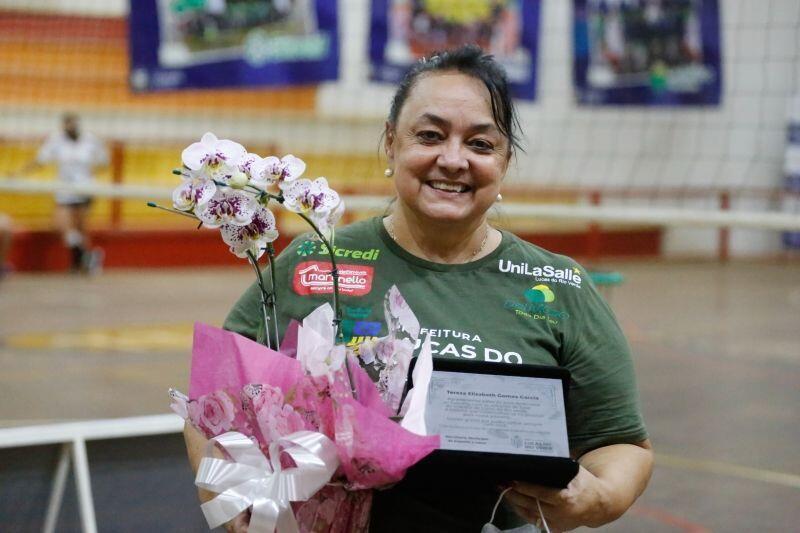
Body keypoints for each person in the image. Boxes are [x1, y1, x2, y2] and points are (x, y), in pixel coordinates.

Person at [185, 45, 653, 532]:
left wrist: (599, 496)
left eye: (480, 144)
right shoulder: (315, 260)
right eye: (430, 135)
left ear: (506, 160)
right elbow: (214, 405)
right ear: (391, 142)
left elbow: (622, 444)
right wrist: (229, 494)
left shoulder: (557, 283)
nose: (453, 160)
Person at [18, 113, 107, 274]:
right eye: (68, 124)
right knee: (61, 225)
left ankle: (78, 265)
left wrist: (89, 175)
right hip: (64, 190)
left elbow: (104, 162)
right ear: (64, 125)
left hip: (84, 189)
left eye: (74, 123)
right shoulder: (56, 139)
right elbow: (41, 160)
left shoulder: (91, 139)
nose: (71, 126)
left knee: (81, 228)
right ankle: (89, 257)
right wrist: (19, 173)